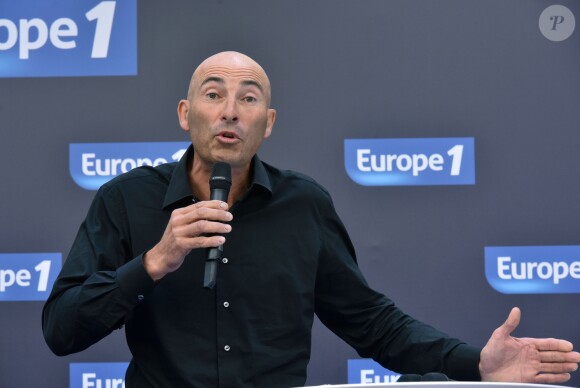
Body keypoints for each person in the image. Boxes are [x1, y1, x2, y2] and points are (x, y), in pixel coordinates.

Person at [42, 51, 580, 387]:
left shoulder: (304, 205)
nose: (230, 110)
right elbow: (62, 329)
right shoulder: (125, 200)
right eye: (214, 94)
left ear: (267, 123)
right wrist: (154, 262)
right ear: (187, 114)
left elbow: (371, 321)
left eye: (248, 98)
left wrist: (476, 365)